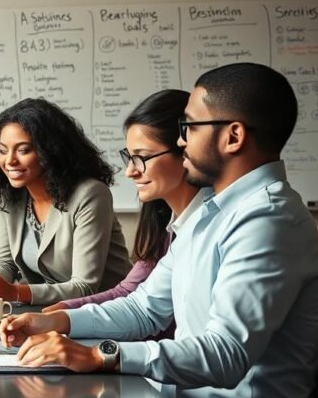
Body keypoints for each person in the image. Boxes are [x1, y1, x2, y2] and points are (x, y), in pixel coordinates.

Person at [0, 63, 318, 398]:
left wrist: (101, 355)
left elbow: (225, 355)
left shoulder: (269, 220)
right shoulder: (210, 214)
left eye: (189, 127)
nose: (181, 141)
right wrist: (58, 322)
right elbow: (144, 308)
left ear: (234, 136)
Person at [43, 90, 207, 331]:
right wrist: (64, 313)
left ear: (186, 151)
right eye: (128, 157)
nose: (130, 171)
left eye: (142, 157)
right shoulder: (165, 221)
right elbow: (134, 298)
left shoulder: (211, 224)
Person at [0, 98, 132, 305]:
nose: (9, 161)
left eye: (23, 150)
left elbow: (85, 286)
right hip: (46, 311)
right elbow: (4, 262)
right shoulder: (11, 194)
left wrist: (17, 292)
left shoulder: (90, 194)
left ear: (51, 151)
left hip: (103, 310)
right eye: (2, 151)